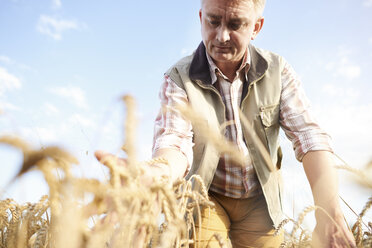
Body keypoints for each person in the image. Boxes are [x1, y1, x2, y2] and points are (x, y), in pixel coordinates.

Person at [97, 0, 356, 247]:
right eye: (213, 21)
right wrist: (155, 175)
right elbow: (174, 142)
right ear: (201, 19)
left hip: (260, 200)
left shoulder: (278, 71)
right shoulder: (178, 77)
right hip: (205, 196)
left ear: (256, 27)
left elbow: (309, 137)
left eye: (235, 24)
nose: (221, 36)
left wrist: (330, 214)